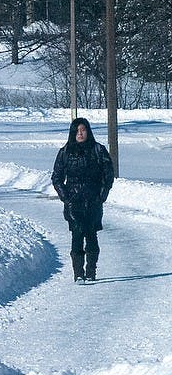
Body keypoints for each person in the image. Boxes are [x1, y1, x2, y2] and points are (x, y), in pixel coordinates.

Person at [51, 117, 115, 282]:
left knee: (92, 235)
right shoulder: (65, 152)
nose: (80, 134)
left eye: (83, 130)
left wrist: (102, 194)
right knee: (77, 235)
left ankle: (91, 271)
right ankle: (78, 273)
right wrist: (66, 198)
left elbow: (108, 174)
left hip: (93, 201)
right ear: (72, 133)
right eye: (77, 131)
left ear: (88, 131)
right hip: (73, 202)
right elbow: (57, 178)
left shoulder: (98, 150)